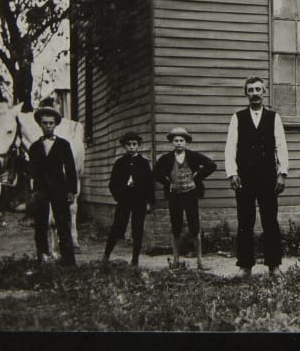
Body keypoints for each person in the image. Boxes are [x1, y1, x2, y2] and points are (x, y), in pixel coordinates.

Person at [224, 76, 289, 276]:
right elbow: (230, 148)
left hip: (268, 177)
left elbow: (281, 147)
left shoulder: (274, 117)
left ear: (264, 92)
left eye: (258, 90)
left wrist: (282, 174)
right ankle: (245, 265)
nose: (255, 94)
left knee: (270, 220)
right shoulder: (238, 117)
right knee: (245, 221)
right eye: (250, 90)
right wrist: (232, 174)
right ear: (246, 93)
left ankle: (274, 264)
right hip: (244, 178)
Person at [152, 127, 217, 269]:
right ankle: (175, 260)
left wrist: (197, 177)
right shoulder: (166, 158)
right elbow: (155, 173)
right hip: (175, 196)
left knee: (194, 226)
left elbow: (211, 165)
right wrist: (167, 182)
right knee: (176, 226)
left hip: (190, 194)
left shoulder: (193, 156)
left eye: (182, 140)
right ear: (172, 142)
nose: (179, 143)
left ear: (186, 142)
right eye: (176, 141)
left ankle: (200, 261)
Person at [27, 105, 78, 266]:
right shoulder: (34, 147)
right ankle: (42, 257)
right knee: (40, 224)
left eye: (51, 123)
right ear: (39, 125)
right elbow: (31, 171)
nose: (48, 126)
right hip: (41, 189)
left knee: (63, 223)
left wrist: (71, 190)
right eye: (45, 123)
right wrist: (33, 192)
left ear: (55, 124)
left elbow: (70, 169)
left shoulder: (63, 145)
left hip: (59, 189)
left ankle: (68, 261)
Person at [102, 131, 155, 266]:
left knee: (138, 229)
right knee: (117, 226)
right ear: (124, 146)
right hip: (124, 200)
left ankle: (135, 259)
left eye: (134, 144)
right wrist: (120, 194)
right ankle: (106, 255)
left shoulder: (143, 163)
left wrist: (149, 201)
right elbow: (113, 183)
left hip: (139, 200)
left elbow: (149, 184)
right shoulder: (119, 163)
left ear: (138, 145)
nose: (132, 147)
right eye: (129, 144)